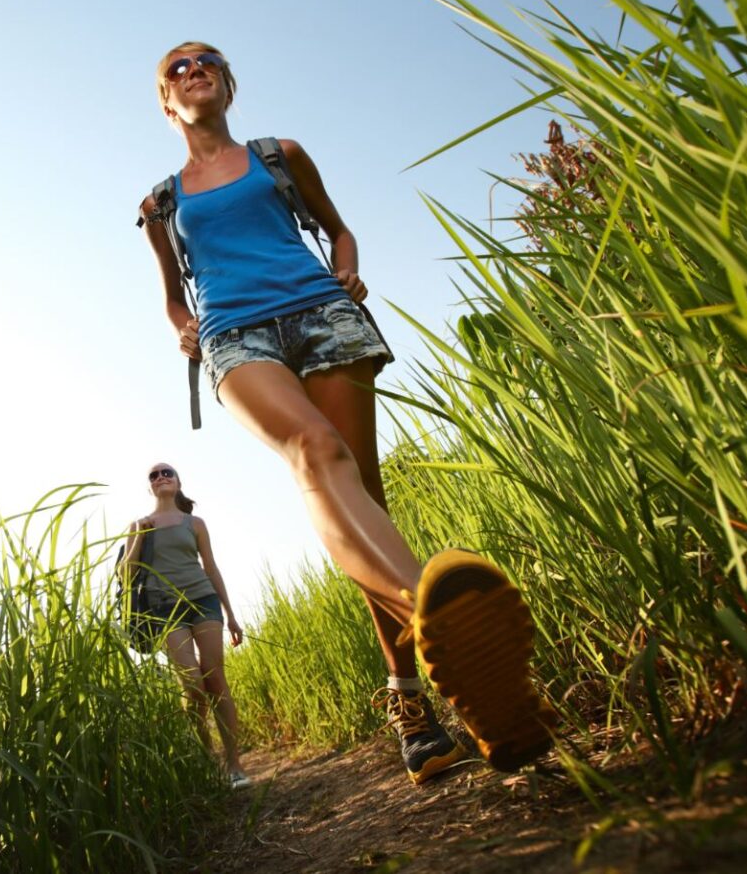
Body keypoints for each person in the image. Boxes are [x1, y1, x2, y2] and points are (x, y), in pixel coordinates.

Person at [135, 42, 555, 785]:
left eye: (207, 62)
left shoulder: (280, 153)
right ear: (167, 103)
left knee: (363, 492)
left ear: (228, 84)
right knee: (315, 450)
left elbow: (338, 228)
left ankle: (417, 714)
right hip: (237, 336)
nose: (193, 70)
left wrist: (348, 266)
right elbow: (173, 291)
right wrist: (181, 326)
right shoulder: (162, 204)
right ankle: (434, 611)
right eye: (178, 68)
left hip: (323, 313)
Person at [121, 462, 251, 790]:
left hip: (202, 600)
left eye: (167, 473)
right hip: (164, 608)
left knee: (215, 677)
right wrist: (140, 536)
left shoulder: (195, 523)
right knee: (192, 684)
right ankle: (207, 757)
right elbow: (124, 573)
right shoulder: (139, 524)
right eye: (154, 475)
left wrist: (230, 614)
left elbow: (211, 567)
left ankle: (234, 764)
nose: (161, 477)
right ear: (149, 487)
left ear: (178, 483)